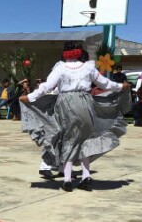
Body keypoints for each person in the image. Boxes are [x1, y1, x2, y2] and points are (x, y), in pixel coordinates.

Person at [20, 44, 126, 190]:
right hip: (85, 103)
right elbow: (105, 83)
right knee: (85, 139)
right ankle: (86, 175)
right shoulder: (88, 67)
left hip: (65, 104)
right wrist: (120, 87)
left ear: (65, 53)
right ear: (80, 52)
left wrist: (30, 97)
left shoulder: (61, 68)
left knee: (68, 139)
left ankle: (68, 180)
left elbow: (47, 86)